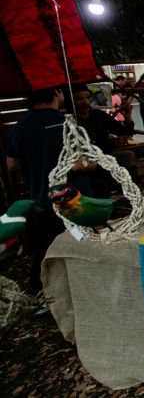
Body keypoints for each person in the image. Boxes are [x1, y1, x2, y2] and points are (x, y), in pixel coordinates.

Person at [6, 88, 66, 294]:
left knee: (44, 248)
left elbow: (11, 165)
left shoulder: (18, 127)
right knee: (73, 246)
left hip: (39, 197)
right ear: (57, 94)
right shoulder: (64, 123)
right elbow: (81, 162)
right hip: (70, 197)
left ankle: (38, 289)